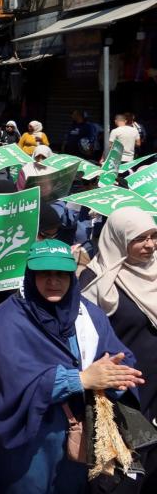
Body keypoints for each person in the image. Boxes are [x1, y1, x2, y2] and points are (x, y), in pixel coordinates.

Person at [0, 240, 143, 493]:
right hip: (25, 448)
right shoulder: (1, 323)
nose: (53, 281)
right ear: (30, 275)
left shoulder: (89, 315)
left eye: (61, 274)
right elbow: (11, 380)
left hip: (76, 443)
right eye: (44, 274)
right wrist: (80, 380)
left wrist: (116, 374)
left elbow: (119, 355)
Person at [79, 208, 157, 491]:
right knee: (121, 476)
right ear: (118, 239)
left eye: (153, 236)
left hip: (156, 390)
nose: (150, 245)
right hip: (123, 395)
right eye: (140, 239)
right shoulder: (96, 281)